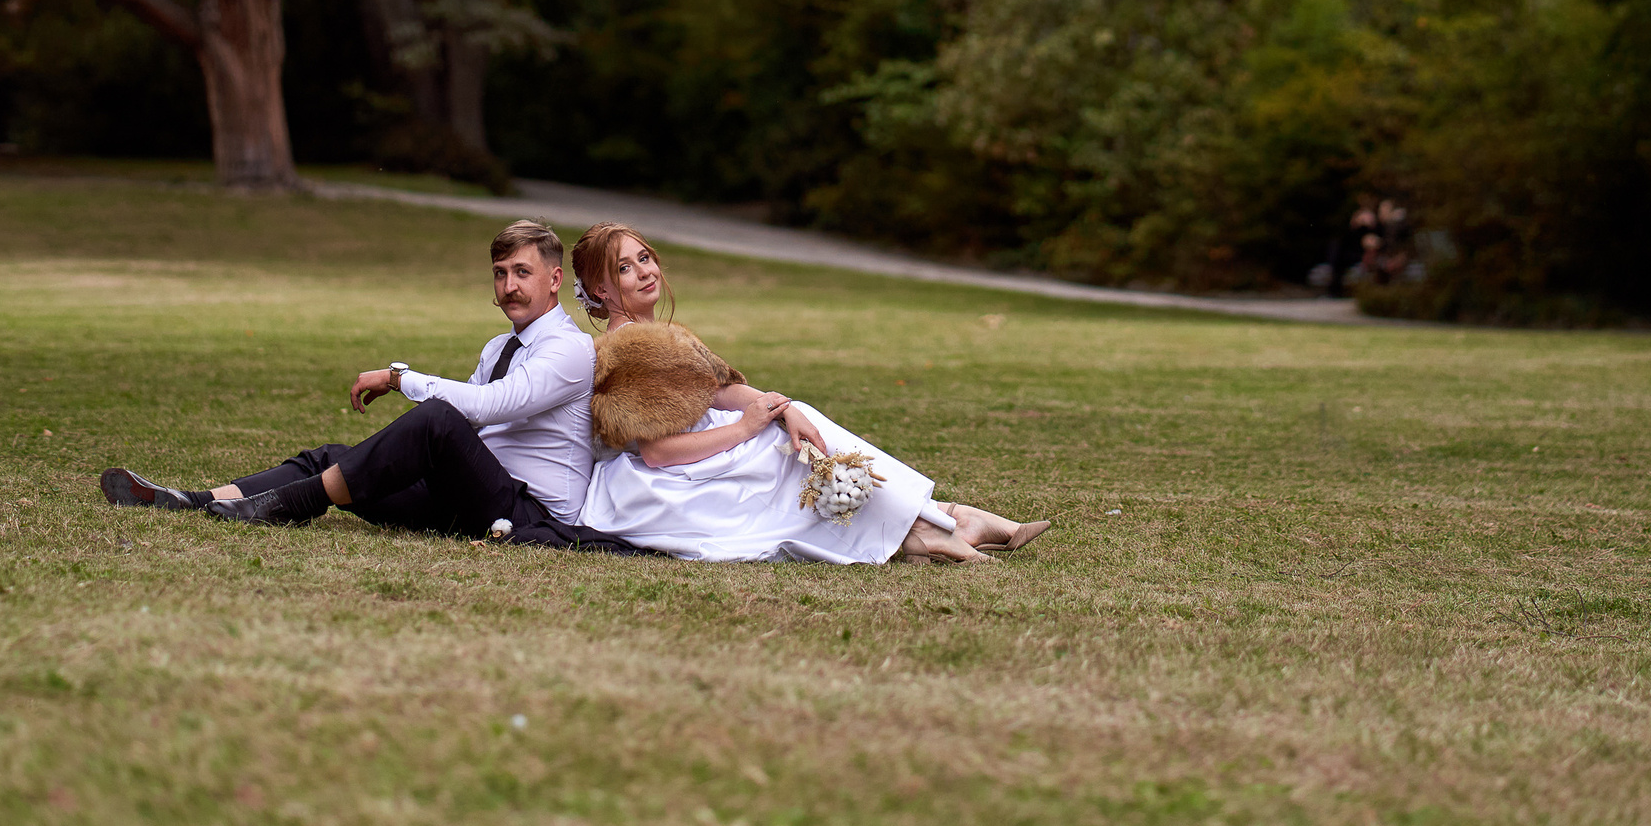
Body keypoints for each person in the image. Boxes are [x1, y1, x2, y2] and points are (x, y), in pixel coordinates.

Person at [98, 218, 644, 551]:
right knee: (332, 457)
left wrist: (401, 377)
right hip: (466, 498)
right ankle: (195, 502)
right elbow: (472, 423)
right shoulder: (499, 346)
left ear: (554, 279)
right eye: (500, 274)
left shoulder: (568, 348)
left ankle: (292, 504)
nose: (509, 286)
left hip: (525, 512)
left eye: (522, 273)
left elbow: (488, 406)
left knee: (437, 419)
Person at [571, 222, 1049, 567]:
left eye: (645, 258)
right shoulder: (629, 348)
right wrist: (748, 426)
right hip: (663, 482)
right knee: (782, 453)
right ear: (600, 290)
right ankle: (943, 524)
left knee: (795, 427)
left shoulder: (653, 337)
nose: (645, 272)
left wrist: (782, 407)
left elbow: (718, 389)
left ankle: (939, 525)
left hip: (691, 457)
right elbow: (657, 452)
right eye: (625, 268)